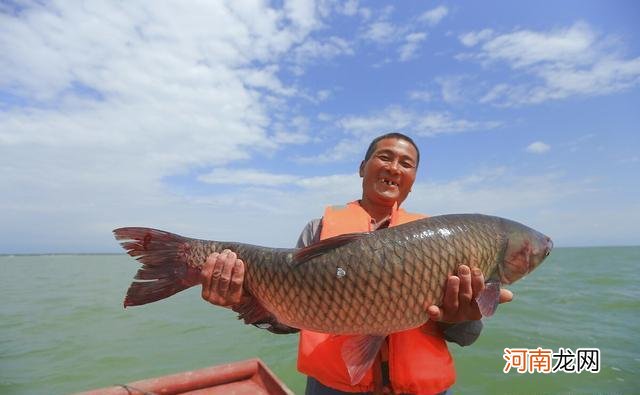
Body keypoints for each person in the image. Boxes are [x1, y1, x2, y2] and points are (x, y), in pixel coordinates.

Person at [199, 132, 513, 394]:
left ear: (413, 180)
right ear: (362, 168)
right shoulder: (318, 230)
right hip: (332, 387)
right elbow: (288, 318)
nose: (394, 167)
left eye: (406, 163)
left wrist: (459, 317)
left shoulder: (445, 242)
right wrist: (242, 300)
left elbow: (468, 335)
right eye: (384, 157)